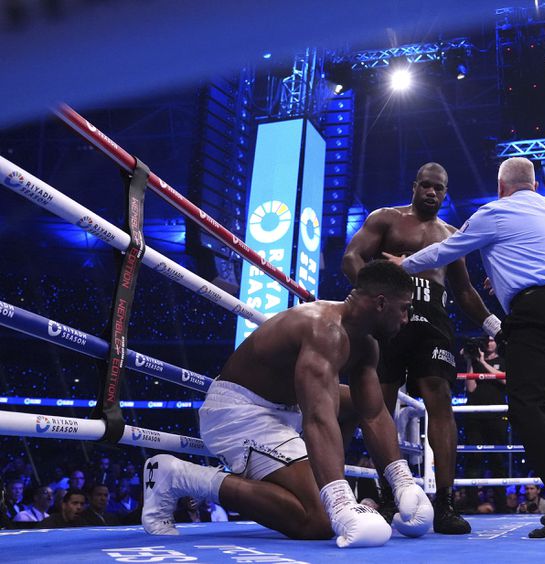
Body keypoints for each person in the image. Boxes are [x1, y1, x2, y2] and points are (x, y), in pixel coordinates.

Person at [384, 157, 545, 538]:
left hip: (537, 314)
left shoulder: (494, 212)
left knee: (527, 409)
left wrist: (401, 266)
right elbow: (533, 261)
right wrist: (503, 282)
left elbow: (444, 251)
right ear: (535, 187)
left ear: (502, 187)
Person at [141, 261, 433, 548]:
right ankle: (179, 475)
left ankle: (323, 480)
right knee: (318, 521)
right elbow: (318, 418)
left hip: (283, 411)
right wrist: (339, 503)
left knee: (355, 401)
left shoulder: (367, 345)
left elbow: (373, 412)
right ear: (381, 303)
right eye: (404, 308)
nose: (406, 319)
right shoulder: (322, 328)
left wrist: (403, 482)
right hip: (240, 413)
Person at [342, 162, 502, 535]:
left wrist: (494, 324)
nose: (432, 192)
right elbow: (352, 257)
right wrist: (374, 295)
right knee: (377, 403)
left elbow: (463, 290)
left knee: (440, 397)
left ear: (446, 193)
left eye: (439, 188)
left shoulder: (450, 234)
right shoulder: (386, 219)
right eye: (426, 185)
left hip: (434, 321)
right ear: (414, 186)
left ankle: (444, 502)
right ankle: (385, 495)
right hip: (386, 320)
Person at [460, 335, 507, 511]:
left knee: (498, 460)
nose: (489, 343)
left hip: (497, 415)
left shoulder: (503, 360)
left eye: (492, 340)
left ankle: (502, 506)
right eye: (486, 340)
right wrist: (471, 361)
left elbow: (505, 379)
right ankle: (472, 504)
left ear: (497, 343)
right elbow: (471, 388)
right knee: (474, 459)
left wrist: (483, 362)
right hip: (475, 415)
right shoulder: (475, 363)